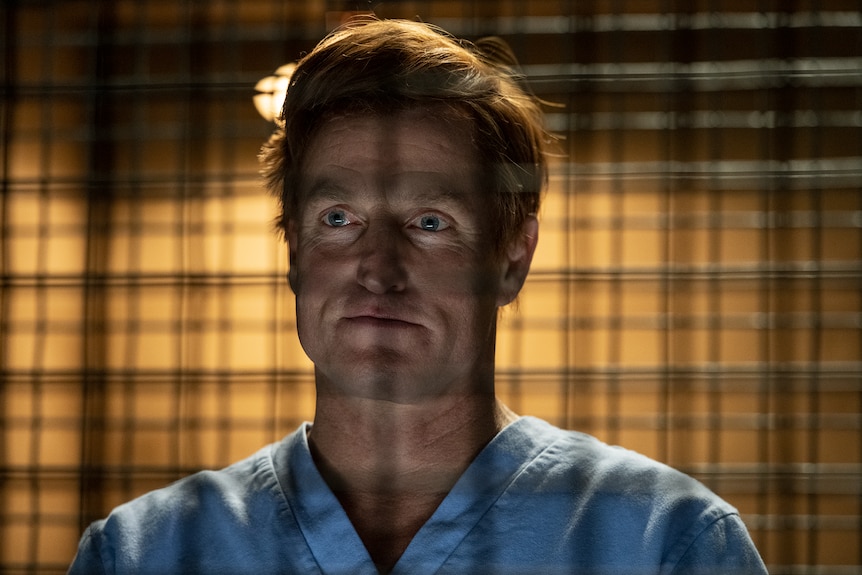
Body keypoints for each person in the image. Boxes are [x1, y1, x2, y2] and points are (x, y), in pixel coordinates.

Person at [68, 18, 768, 575]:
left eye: (430, 223)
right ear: (293, 254)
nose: (377, 267)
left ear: (512, 257)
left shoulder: (663, 541)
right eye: (337, 220)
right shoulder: (145, 551)